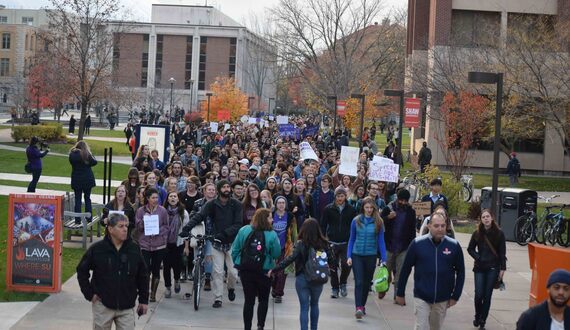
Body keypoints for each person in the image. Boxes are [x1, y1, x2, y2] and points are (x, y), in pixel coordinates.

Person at [76, 213, 149, 330]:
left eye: (126, 226)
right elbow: (81, 270)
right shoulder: (97, 249)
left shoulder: (134, 249)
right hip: (103, 306)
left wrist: (143, 300)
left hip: (127, 306)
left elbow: (143, 275)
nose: (125, 229)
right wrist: (89, 294)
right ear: (110, 229)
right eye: (121, 226)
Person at [396, 212, 465, 330]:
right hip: (421, 295)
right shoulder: (417, 244)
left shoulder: (454, 245)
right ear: (429, 226)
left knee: (435, 327)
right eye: (436, 226)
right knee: (421, 327)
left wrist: (455, 295)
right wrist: (400, 293)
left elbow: (461, 272)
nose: (440, 229)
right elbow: (405, 269)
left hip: (442, 297)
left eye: (443, 226)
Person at [181, 179, 242, 308]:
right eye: (224, 187)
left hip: (232, 243)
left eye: (228, 187)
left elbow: (238, 224)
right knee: (217, 272)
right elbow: (199, 216)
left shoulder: (236, 204)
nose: (227, 189)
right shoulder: (212, 204)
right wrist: (187, 228)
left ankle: (231, 288)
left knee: (233, 272)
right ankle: (218, 297)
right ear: (219, 190)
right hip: (216, 243)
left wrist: (224, 233)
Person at [268, 219, 333, 330]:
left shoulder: (301, 244)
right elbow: (332, 260)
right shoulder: (324, 243)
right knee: (314, 304)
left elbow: (290, 259)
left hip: (302, 278)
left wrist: (274, 269)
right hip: (317, 278)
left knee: (304, 307)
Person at [231, 208, 282, 330]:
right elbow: (276, 253)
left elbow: (235, 250)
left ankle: (247, 327)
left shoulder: (244, 230)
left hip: (246, 270)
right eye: (270, 217)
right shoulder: (272, 234)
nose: (272, 220)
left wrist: (239, 263)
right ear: (265, 219)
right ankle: (260, 326)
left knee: (249, 301)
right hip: (264, 271)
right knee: (263, 300)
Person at [347, 196, 387, 319]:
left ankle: (362, 306)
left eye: (371, 207)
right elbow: (351, 239)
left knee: (365, 283)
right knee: (358, 282)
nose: (369, 210)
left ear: (374, 208)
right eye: (366, 207)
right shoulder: (356, 220)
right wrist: (349, 256)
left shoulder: (378, 222)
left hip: (371, 255)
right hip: (357, 254)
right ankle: (358, 307)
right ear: (363, 207)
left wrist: (384, 258)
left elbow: (381, 241)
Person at [467, 209, 507, 329]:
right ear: (481, 220)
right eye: (483, 217)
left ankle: (483, 321)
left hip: (493, 268)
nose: (486, 219)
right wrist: (478, 257)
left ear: (492, 217)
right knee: (479, 295)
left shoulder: (499, 234)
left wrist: (502, 269)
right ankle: (477, 315)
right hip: (479, 267)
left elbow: (502, 253)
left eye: (488, 216)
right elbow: (470, 249)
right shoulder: (477, 233)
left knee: (487, 295)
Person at [320, 186, 357, 299]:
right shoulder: (328, 208)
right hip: (332, 241)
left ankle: (343, 283)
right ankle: (335, 288)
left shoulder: (351, 209)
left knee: (346, 264)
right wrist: (322, 240)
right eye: (338, 196)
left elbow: (354, 226)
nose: (340, 198)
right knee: (333, 266)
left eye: (342, 196)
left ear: (345, 196)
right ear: (335, 196)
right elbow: (323, 225)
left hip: (346, 242)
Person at [135, 187, 170, 303]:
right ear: (148, 199)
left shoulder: (162, 211)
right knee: (145, 269)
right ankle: (144, 292)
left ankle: (153, 294)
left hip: (158, 245)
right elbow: (138, 226)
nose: (155, 200)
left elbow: (166, 226)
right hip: (145, 244)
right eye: (153, 198)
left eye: (157, 198)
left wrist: (158, 231)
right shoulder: (141, 211)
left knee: (156, 269)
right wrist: (146, 221)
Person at [381, 189, 416, 300]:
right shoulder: (388, 208)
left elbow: (412, 230)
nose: (403, 203)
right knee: (385, 271)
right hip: (389, 246)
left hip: (403, 247)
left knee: (400, 273)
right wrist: (387, 218)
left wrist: (412, 246)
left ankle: (398, 294)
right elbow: (379, 223)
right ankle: (383, 289)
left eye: (405, 201)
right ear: (397, 199)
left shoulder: (411, 212)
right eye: (401, 200)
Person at [162, 191, 190, 299]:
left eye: (175, 196)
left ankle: (177, 280)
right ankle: (168, 287)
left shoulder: (183, 213)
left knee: (177, 265)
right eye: (171, 196)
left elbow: (186, 230)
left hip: (178, 243)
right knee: (166, 267)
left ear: (178, 199)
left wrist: (186, 247)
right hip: (165, 243)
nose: (173, 198)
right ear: (167, 199)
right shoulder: (163, 211)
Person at [69, 141, 97, 224]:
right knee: (87, 198)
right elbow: (94, 162)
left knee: (78, 199)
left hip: (76, 179)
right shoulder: (86, 154)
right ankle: (89, 218)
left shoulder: (72, 155)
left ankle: (77, 219)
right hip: (87, 179)